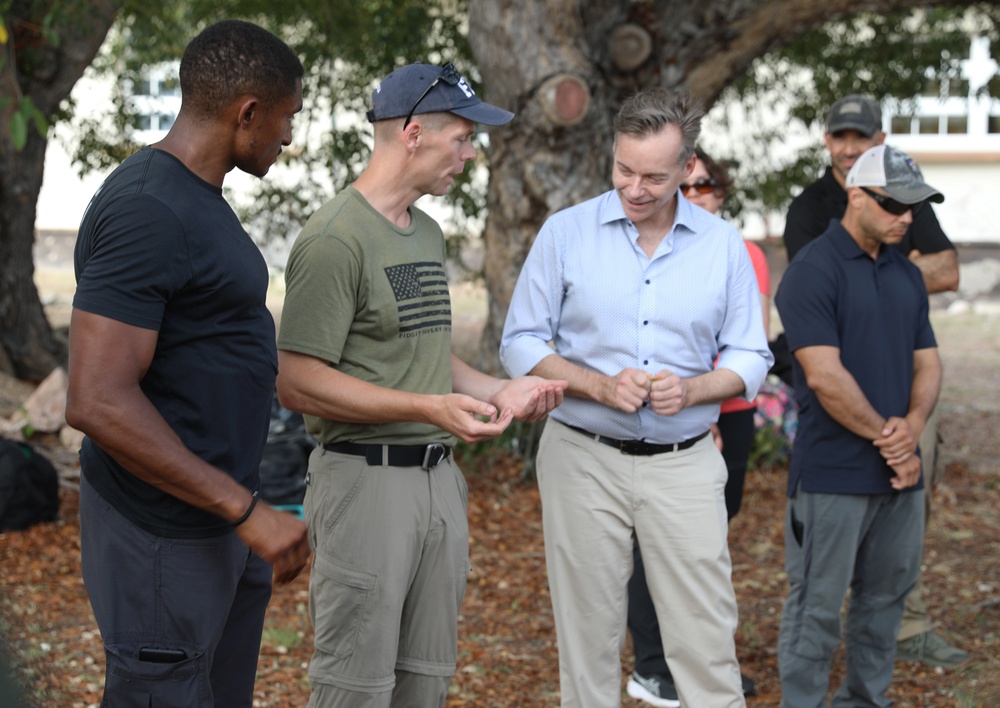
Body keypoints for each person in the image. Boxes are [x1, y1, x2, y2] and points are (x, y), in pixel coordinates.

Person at [274, 61, 566, 708]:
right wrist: (426, 407)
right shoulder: (333, 239)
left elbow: (427, 355)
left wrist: (496, 390)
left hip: (439, 482)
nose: (468, 154)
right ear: (411, 133)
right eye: (461, 138)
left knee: (424, 683)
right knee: (357, 686)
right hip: (363, 485)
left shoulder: (426, 232)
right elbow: (296, 382)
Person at [500, 88, 772, 708]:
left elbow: (752, 356)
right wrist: (595, 384)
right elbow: (520, 340)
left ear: (687, 168)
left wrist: (697, 388)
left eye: (655, 175)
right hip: (581, 457)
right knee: (587, 640)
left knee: (705, 642)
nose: (636, 187)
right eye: (625, 169)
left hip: (684, 461)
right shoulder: (565, 233)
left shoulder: (723, 245)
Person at [66, 20, 311, 707]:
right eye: (287, 119)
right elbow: (96, 399)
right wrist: (245, 510)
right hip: (161, 533)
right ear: (248, 112)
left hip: (218, 520)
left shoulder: (194, 199)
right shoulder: (149, 209)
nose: (288, 138)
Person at [782, 94, 968, 670]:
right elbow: (823, 304)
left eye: (859, 137)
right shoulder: (811, 210)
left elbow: (949, 270)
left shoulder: (903, 199)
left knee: (897, 548)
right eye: (839, 136)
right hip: (840, 416)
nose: (847, 147)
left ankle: (900, 636)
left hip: (903, 393)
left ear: (878, 139)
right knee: (819, 588)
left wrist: (908, 429)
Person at [625, 148, 768, 707]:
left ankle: (701, 666)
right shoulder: (655, 246)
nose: (696, 193)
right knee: (650, 541)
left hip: (732, 413)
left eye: (706, 184)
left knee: (704, 541)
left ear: (720, 191)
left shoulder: (740, 251)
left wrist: (712, 399)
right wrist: (690, 410)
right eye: (688, 185)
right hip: (674, 415)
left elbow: (750, 335)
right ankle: (654, 665)